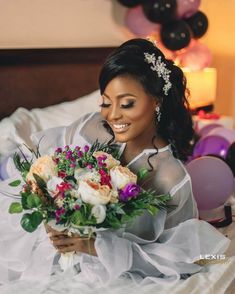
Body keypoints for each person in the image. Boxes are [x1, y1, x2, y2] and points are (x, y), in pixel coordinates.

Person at [0, 38, 230, 289]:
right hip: (35, 245)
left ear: (156, 101)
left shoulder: (170, 177)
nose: (113, 115)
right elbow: (40, 170)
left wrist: (95, 247)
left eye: (127, 103)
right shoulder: (92, 128)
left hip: (107, 274)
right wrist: (50, 217)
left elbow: (184, 258)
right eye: (106, 102)